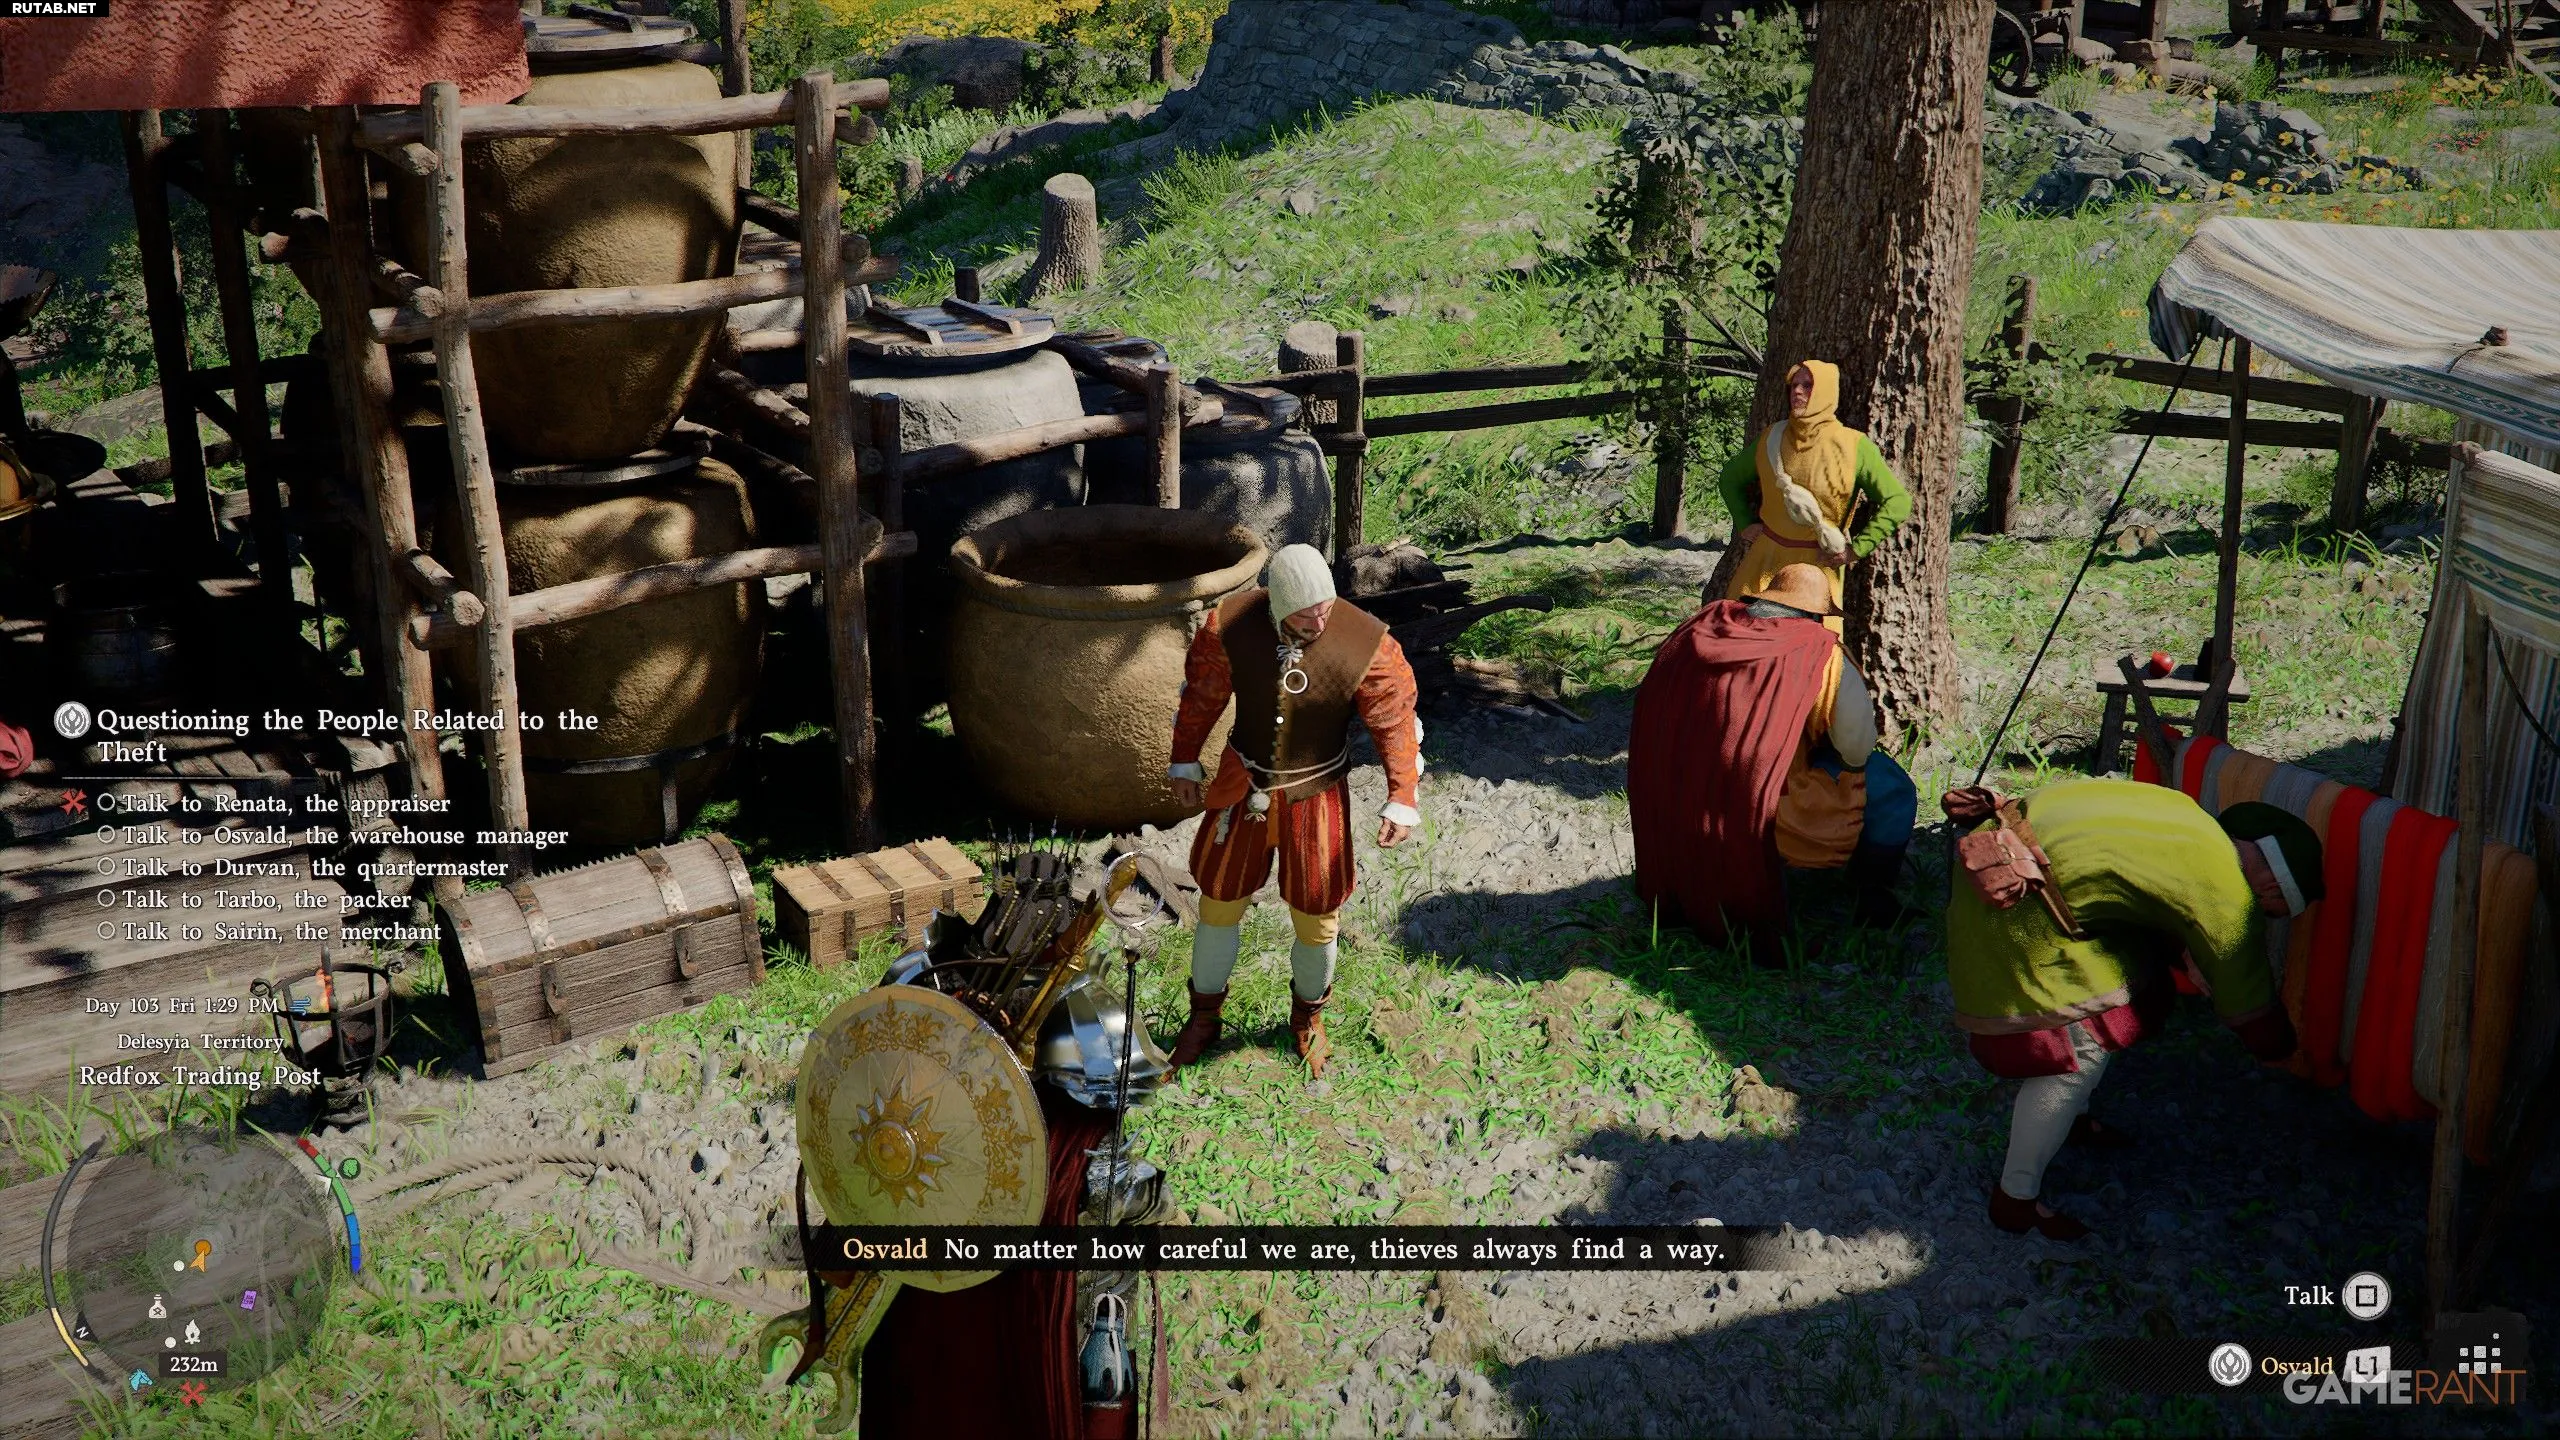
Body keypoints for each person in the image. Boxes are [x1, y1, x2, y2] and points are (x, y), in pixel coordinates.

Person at [1946, 782, 2319, 1240]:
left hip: (2002, 855)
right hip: (2014, 902)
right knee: (2075, 1052)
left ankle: (2073, 1121)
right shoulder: (2226, 888)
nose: (2264, 915)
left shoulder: (2190, 817)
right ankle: (2015, 1198)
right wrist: (2282, 1048)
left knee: (2118, 989)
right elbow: (2245, 990)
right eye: (2272, 910)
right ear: (2272, 886)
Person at [1163, 543, 1421, 1080]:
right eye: (1306, 614)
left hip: (1316, 795)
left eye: (1325, 609)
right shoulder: (1230, 625)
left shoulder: (1366, 642)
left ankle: (1307, 1019)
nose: (1320, 622)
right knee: (1218, 903)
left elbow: (1394, 717)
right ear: (1277, 605)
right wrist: (1185, 759)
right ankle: (1203, 1019)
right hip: (1243, 785)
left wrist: (1402, 795)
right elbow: (1202, 695)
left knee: (1317, 915)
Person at [1629, 562, 1918, 964]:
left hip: (1680, 791)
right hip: (1761, 802)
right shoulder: (1822, 657)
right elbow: (1856, 747)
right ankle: (1873, 896)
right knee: (1894, 790)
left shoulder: (1702, 631)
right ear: (1817, 615)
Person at [1717, 359, 1912, 625]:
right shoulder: (1772, 438)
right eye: (1794, 385)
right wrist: (1744, 522)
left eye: (1807, 385)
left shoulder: (1854, 446)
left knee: (1813, 644)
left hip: (1818, 568)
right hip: (1765, 561)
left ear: (1826, 391)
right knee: (1741, 636)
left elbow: (1897, 502)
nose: (1797, 391)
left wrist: (1857, 549)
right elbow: (1730, 478)